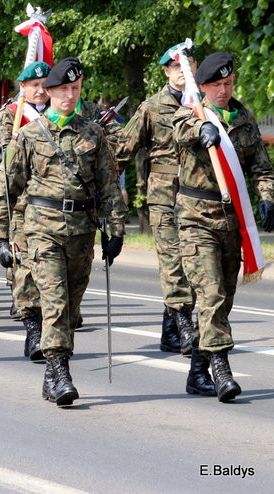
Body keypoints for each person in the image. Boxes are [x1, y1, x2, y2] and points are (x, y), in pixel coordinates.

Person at [8, 57, 127, 406]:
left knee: (72, 307)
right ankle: (60, 372)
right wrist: (4, 234)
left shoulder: (93, 133)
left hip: (81, 231)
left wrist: (115, 229)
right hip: (41, 229)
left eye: (75, 89)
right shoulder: (29, 135)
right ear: (50, 92)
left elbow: (108, 185)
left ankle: (52, 371)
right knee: (55, 302)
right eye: (63, 90)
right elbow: (8, 188)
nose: (70, 96)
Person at [172, 52, 274, 402]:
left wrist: (267, 196)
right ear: (202, 86)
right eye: (216, 85)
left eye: (228, 84)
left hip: (233, 220)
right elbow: (181, 130)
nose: (224, 90)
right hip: (196, 219)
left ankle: (197, 371)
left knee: (223, 299)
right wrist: (204, 129)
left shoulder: (243, 117)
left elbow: (261, 167)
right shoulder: (191, 113)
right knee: (210, 294)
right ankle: (221, 369)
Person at [114, 43, 199, 356]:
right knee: (173, 260)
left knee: (193, 262)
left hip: (199, 197)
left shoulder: (203, 104)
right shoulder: (152, 106)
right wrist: (105, 188)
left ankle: (170, 331)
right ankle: (185, 328)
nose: (181, 72)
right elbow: (124, 149)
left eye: (186, 66)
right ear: (166, 71)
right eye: (176, 67)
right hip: (164, 195)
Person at [0, 61, 51, 360]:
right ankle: (34, 331)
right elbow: (4, 158)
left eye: (44, 85)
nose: (40, 91)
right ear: (23, 87)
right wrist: (1, 235)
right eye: (34, 86)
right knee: (26, 271)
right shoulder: (10, 117)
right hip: (24, 205)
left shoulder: (64, 116)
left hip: (56, 209)